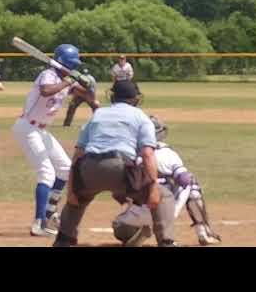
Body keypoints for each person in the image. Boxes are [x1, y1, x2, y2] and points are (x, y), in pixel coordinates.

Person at [53, 80, 176, 247]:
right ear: (136, 99)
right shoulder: (141, 116)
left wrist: (72, 189)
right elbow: (147, 154)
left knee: (77, 201)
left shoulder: (98, 114)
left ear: (112, 96)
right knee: (164, 196)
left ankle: (63, 241)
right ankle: (166, 242)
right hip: (120, 168)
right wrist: (153, 187)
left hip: (89, 167)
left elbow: (78, 155)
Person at [12, 44, 99, 237]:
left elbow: (90, 98)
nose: (75, 67)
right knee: (47, 173)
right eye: (73, 64)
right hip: (27, 127)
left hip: (42, 130)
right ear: (66, 63)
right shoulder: (49, 75)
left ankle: (50, 212)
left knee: (66, 168)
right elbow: (46, 91)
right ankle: (39, 223)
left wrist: (88, 84)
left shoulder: (65, 79)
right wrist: (69, 80)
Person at [112, 116, 222, 247]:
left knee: (119, 228)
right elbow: (185, 179)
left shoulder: (128, 154)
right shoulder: (167, 153)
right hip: (165, 213)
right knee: (192, 184)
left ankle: (134, 233)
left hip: (137, 213)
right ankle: (204, 233)